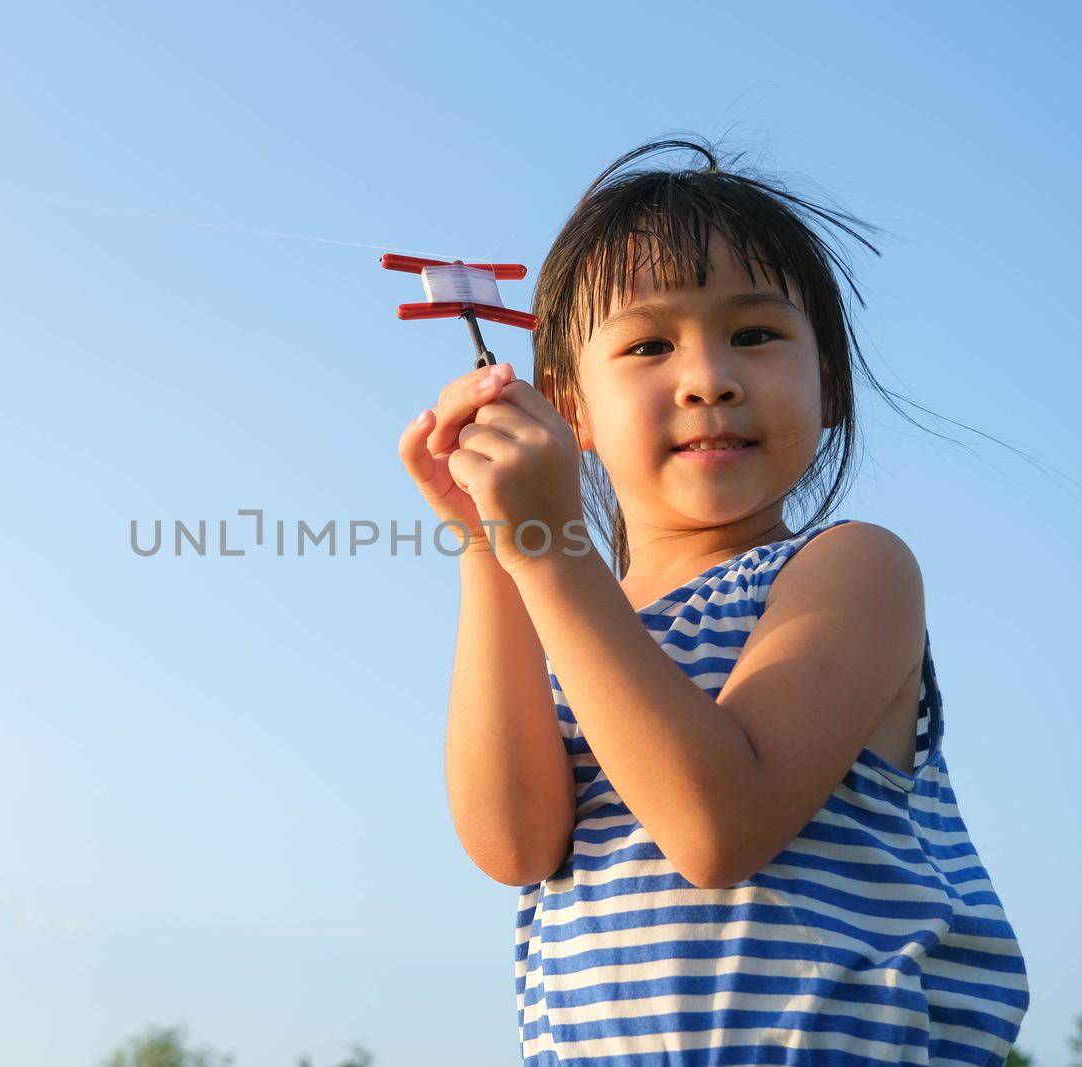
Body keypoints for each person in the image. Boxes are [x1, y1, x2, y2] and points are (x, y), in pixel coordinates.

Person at [397, 137, 1030, 1065]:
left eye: (756, 334)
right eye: (650, 344)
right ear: (569, 407)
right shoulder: (567, 607)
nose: (709, 379)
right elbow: (515, 844)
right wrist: (496, 551)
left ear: (831, 386)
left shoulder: (851, 570)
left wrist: (556, 555)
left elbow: (717, 827)